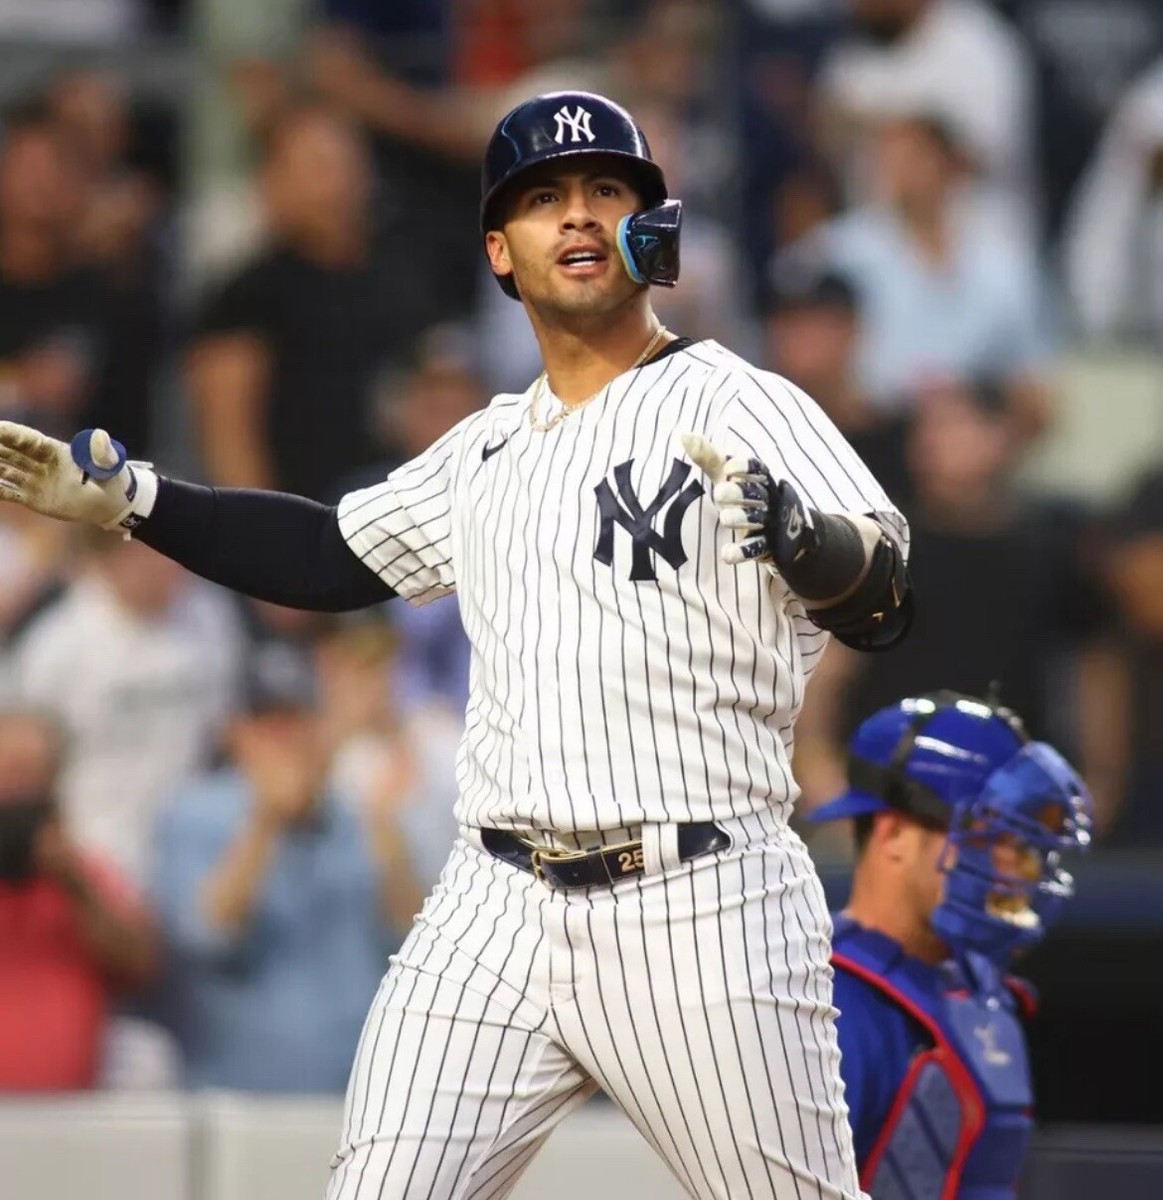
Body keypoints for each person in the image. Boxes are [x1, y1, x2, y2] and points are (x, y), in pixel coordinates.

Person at [0, 91, 912, 1198]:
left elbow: (880, 589)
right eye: (541, 200)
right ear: (498, 249)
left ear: (649, 226)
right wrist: (138, 500)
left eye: (603, 190)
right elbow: (329, 557)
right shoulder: (484, 449)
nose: (574, 215)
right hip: (496, 901)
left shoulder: (734, 399)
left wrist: (806, 543)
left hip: (700, 897)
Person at [805, 691, 1093, 1197]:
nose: (1020, 869)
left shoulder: (981, 992)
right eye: (991, 837)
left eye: (1026, 847)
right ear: (893, 833)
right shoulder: (821, 1006)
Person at [152, 653, 423, 1093]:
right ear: (236, 733)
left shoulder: (358, 813)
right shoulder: (194, 811)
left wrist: (382, 824)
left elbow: (414, 938)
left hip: (360, 1090)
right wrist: (266, 820)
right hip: (241, 1098)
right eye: (269, 725)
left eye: (298, 722)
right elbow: (205, 934)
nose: (287, 741)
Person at [0, 707, 158, 1091]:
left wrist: (72, 881)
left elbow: (140, 964)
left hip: (72, 1123)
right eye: (9, 771)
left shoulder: (85, 872)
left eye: (32, 773)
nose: (18, 790)